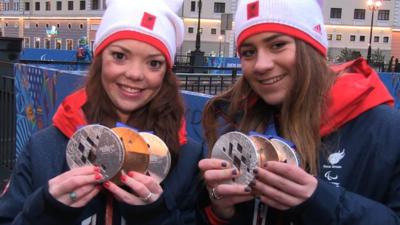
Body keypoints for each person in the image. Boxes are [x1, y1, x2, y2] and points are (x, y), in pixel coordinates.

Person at [0, 0, 203, 224]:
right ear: (99, 59)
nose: (135, 74)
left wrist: (157, 216)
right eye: (119, 56)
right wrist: (45, 210)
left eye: (154, 63)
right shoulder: (43, 148)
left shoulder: (187, 157)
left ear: (166, 73)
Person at [197, 0, 400, 224]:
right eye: (248, 52)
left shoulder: (387, 130)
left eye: (277, 45)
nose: (261, 65)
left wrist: (320, 200)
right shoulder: (236, 121)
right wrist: (221, 212)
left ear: (312, 48)